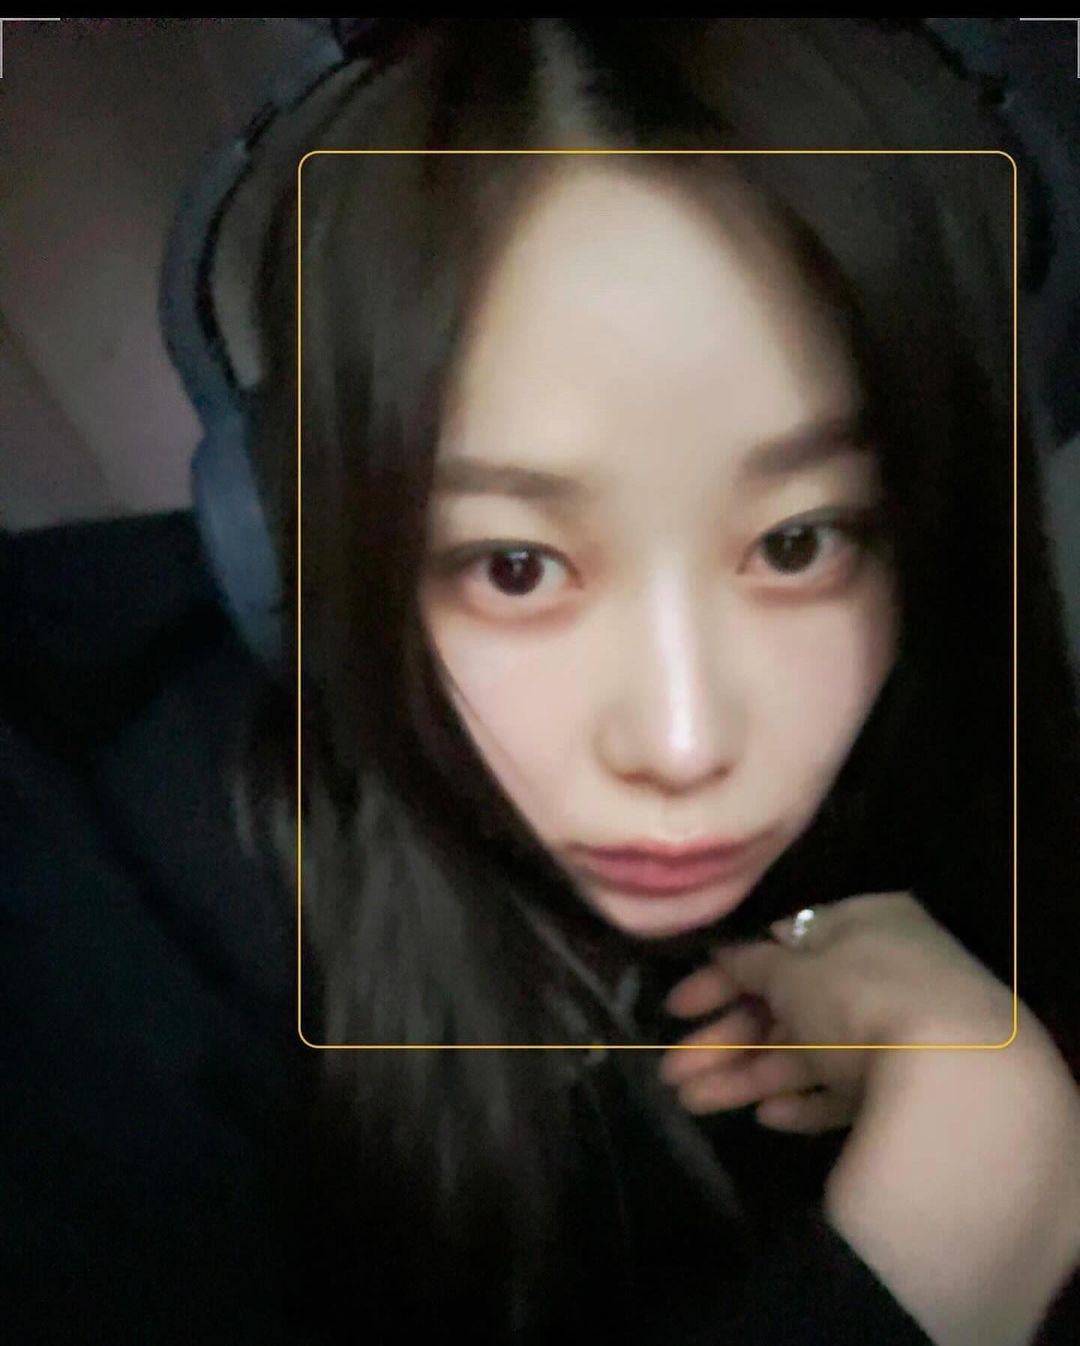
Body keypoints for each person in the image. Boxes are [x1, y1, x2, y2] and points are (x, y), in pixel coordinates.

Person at [236, 18, 1080, 1346]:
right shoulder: (130, 919)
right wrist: (945, 1241)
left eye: (800, 543)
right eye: (515, 565)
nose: (683, 747)